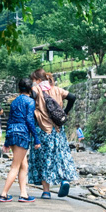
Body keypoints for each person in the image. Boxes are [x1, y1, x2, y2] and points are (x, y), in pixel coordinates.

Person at [27, 68, 78, 199]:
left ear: (38, 80)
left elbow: (29, 103)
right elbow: (72, 97)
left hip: (42, 130)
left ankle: (46, 191)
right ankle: (64, 181)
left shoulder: (36, 90)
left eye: (34, 80)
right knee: (60, 156)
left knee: (44, 159)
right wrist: (65, 111)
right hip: (58, 130)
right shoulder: (56, 89)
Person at [0, 78, 40, 203]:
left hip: (11, 132)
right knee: (15, 166)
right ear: (31, 89)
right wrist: (36, 138)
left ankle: (23, 194)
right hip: (22, 134)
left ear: (18, 89)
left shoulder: (14, 102)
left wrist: (6, 141)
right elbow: (29, 120)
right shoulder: (30, 101)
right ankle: (3, 194)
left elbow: (9, 120)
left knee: (24, 165)